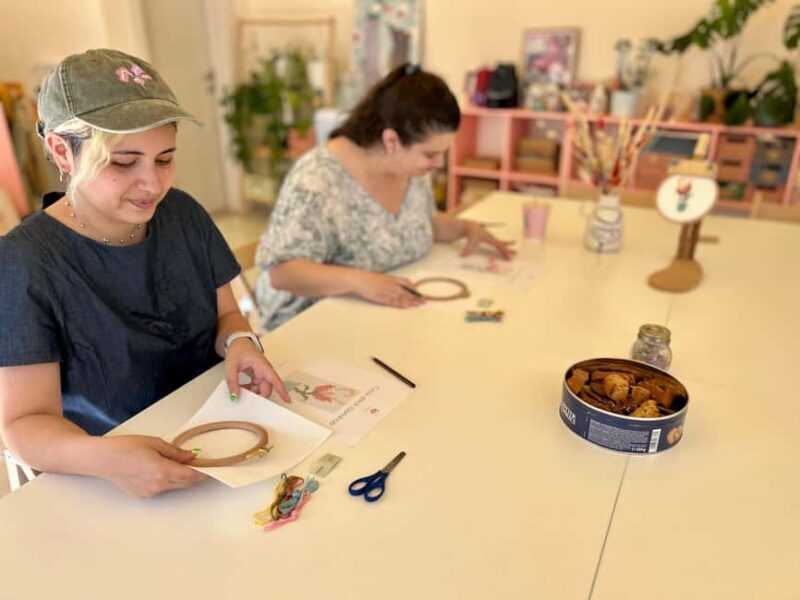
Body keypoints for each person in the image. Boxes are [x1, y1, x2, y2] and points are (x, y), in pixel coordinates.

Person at [0, 49, 289, 499]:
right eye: (123, 162)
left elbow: (227, 317)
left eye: (165, 158)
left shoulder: (183, 215)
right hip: (111, 477)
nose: (152, 184)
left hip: (218, 439)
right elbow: (23, 426)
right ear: (62, 150)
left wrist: (240, 343)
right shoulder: (25, 263)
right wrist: (107, 458)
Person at [255, 64, 515, 331]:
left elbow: (416, 224)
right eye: (430, 154)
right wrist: (359, 281)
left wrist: (465, 228)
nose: (439, 163)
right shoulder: (317, 178)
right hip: (312, 323)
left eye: (444, 152)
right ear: (391, 140)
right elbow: (282, 273)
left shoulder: (411, 168)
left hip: (381, 318)